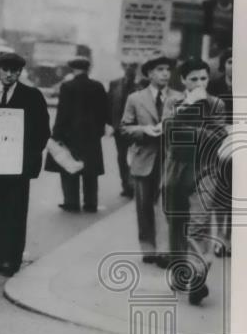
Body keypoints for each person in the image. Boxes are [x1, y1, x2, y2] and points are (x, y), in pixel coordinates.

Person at [0, 51, 50, 277]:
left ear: (20, 72)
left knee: (15, 212)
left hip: (18, 167)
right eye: (5, 70)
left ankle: (13, 260)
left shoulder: (32, 95)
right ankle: (0, 256)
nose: (9, 75)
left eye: (15, 71)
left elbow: (43, 131)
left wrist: (26, 155)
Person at [162, 58, 227, 305]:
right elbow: (169, 133)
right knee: (176, 223)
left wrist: (187, 126)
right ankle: (182, 272)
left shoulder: (216, 104)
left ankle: (198, 277)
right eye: (194, 79)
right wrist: (188, 110)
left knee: (198, 224)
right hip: (177, 169)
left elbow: (218, 139)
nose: (200, 83)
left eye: (203, 78)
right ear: (183, 81)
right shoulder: (173, 101)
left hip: (205, 170)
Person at [120, 56, 182, 266]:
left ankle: (165, 251)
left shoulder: (180, 97)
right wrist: (144, 130)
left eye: (167, 69)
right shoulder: (135, 98)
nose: (165, 73)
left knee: (167, 205)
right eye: (159, 69)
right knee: (144, 205)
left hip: (171, 158)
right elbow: (125, 128)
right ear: (149, 74)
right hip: (144, 157)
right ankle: (149, 249)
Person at [45, 56, 110, 212]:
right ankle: (90, 203)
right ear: (88, 69)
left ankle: (71, 202)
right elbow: (104, 111)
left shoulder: (67, 86)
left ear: (73, 69)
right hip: (91, 135)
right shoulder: (98, 86)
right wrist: (99, 130)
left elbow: (63, 113)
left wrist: (56, 134)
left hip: (70, 134)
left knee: (69, 167)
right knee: (90, 171)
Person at [206, 48, 233, 256]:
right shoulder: (214, 86)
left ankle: (230, 236)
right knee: (220, 191)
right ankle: (219, 237)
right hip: (218, 142)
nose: (235, 66)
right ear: (224, 65)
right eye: (231, 61)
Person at [108, 62, 141, 197]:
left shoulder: (141, 86)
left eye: (132, 67)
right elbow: (109, 103)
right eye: (127, 67)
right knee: (121, 157)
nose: (129, 70)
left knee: (135, 157)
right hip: (119, 128)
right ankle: (126, 185)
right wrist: (111, 123)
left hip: (136, 128)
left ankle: (134, 184)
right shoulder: (114, 84)